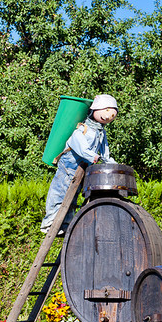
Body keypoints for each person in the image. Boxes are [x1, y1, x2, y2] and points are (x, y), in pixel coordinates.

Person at [40, 94, 118, 234]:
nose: (109, 117)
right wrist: (91, 155)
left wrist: (110, 162)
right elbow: (77, 143)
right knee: (60, 192)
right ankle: (50, 224)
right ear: (95, 110)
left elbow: (104, 150)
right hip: (69, 165)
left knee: (73, 196)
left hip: (82, 168)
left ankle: (65, 224)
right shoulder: (83, 128)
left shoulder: (100, 132)